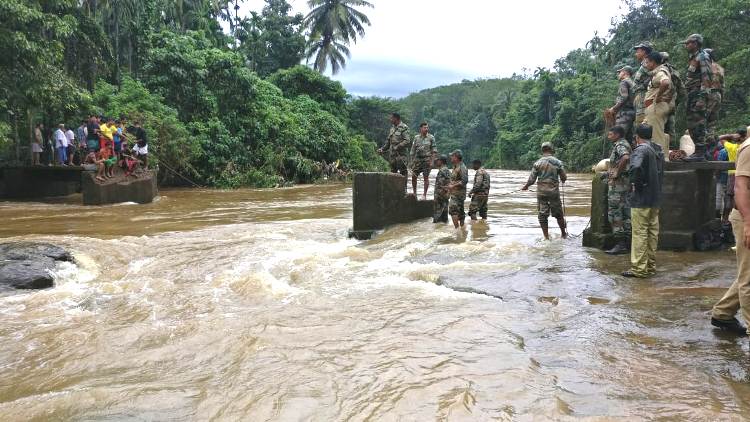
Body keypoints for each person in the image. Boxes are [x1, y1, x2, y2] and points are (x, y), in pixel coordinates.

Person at [710, 132, 750, 337]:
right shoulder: (748, 148)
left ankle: (723, 313)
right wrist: (748, 223)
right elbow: (740, 186)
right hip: (746, 216)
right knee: (749, 279)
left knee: (747, 272)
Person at [622, 124, 663, 278]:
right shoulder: (657, 150)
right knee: (652, 233)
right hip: (655, 198)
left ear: (637, 137)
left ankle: (639, 268)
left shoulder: (640, 150)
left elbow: (636, 168)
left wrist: (635, 185)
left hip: (641, 199)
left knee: (639, 233)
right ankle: (650, 266)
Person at [522, 142, 568, 240]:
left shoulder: (537, 163)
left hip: (541, 193)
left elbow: (531, 180)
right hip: (554, 192)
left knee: (542, 215)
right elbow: (564, 177)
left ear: (542, 150)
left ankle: (546, 237)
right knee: (559, 214)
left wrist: (526, 186)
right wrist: (563, 180)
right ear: (551, 149)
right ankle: (563, 234)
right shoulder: (558, 162)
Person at [683, 34, 714, 161]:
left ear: (695, 43)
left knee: (698, 123)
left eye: (688, 42)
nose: (686, 45)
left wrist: (702, 98)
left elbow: (707, 78)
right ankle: (701, 152)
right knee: (691, 123)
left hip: (698, 94)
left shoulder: (703, 57)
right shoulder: (694, 57)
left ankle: (700, 152)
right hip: (692, 94)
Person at [605, 126, 632, 255]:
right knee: (626, 213)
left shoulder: (620, 145)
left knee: (615, 212)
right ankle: (627, 243)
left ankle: (620, 244)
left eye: (610, 134)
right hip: (625, 185)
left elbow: (625, 158)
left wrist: (616, 173)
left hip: (618, 186)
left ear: (617, 135)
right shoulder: (625, 143)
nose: (608, 136)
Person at [643, 51, 675, 158]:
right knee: (656, 133)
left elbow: (665, 82)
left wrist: (658, 97)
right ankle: (664, 157)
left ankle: (660, 161)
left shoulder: (660, 72)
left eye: (647, 62)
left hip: (656, 108)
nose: (646, 65)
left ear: (653, 62)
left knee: (655, 136)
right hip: (654, 109)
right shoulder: (657, 72)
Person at [378, 113, 411, 190]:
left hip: (401, 156)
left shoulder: (404, 127)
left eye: (391, 118)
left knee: (403, 173)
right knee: (393, 174)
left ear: (396, 118)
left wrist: (398, 146)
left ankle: (404, 190)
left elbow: (407, 141)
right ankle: (393, 191)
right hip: (392, 157)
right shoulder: (392, 128)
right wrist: (382, 149)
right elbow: (388, 142)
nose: (390, 120)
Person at [607, 65, 636, 141]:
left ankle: (621, 153)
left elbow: (624, 97)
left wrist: (613, 108)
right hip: (632, 113)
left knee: (618, 136)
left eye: (620, 72)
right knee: (629, 138)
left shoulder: (623, 82)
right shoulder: (632, 83)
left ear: (625, 73)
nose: (618, 74)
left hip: (624, 113)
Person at [410, 122, 436, 199]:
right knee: (413, 176)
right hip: (417, 160)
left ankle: (424, 195)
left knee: (426, 177)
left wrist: (432, 162)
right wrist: (411, 161)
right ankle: (415, 193)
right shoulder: (416, 138)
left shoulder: (431, 137)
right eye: (425, 128)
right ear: (421, 129)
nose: (426, 129)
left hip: (427, 160)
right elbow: (412, 150)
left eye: (427, 127)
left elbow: (434, 151)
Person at [632, 41, 655, 126]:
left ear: (644, 51)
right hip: (641, 96)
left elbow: (653, 76)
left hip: (644, 96)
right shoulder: (644, 63)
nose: (636, 54)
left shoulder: (646, 63)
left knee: (641, 123)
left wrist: (643, 86)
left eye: (638, 51)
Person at [705, 48, 724, 142]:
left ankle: (700, 142)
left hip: (708, 95)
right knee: (712, 122)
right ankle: (710, 139)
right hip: (718, 95)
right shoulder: (719, 68)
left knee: (702, 118)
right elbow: (723, 85)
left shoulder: (704, 67)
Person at [447, 150, 468, 228]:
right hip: (456, 193)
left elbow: (464, 181)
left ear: (456, 157)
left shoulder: (462, 167)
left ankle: (457, 229)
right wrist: (450, 185)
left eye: (452, 156)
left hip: (458, 194)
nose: (451, 158)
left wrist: (453, 186)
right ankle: (462, 229)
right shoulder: (456, 166)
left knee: (453, 210)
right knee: (460, 212)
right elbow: (455, 180)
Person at [433, 155, 451, 224]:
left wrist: (438, 197)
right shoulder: (448, 170)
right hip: (445, 196)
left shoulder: (442, 171)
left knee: (437, 219)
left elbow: (440, 185)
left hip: (440, 197)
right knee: (444, 218)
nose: (436, 162)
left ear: (441, 161)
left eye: (437, 160)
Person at [715, 143, 730, 221]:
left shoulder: (723, 151)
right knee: (727, 197)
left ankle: (718, 217)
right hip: (731, 176)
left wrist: (716, 176)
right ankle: (725, 217)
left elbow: (719, 166)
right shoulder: (736, 149)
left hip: (722, 177)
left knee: (719, 196)